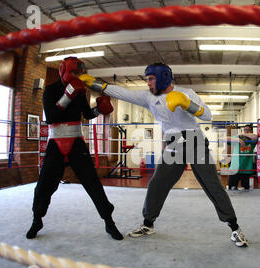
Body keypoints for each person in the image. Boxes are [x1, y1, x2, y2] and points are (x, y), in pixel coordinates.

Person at [79, 63, 248, 247]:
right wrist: (95, 84)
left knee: (212, 184)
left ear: (162, 77)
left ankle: (235, 228)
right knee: (157, 183)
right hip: (174, 144)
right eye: (148, 79)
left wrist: (187, 104)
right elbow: (122, 93)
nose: (148, 83)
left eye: (151, 79)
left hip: (194, 141)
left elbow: (207, 116)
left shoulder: (187, 92)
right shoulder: (148, 97)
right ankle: (148, 224)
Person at [26, 56, 123, 241]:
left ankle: (109, 223)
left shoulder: (79, 91)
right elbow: (51, 118)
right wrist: (67, 96)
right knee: (44, 185)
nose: (77, 75)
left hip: (77, 142)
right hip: (55, 143)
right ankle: (36, 220)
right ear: (63, 70)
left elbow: (87, 114)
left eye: (79, 73)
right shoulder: (50, 90)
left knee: (92, 182)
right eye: (74, 72)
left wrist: (99, 109)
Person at [225, 125, 258, 192]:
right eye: (245, 129)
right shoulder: (238, 137)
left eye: (248, 130)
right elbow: (225, 139)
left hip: (246, 168)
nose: (246, 131)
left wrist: (243, 134)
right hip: (235, 168)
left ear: (251, 131)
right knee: (231, 189)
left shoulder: (252, 140)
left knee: (246, 190)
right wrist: (237, 139)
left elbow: (255, 137)